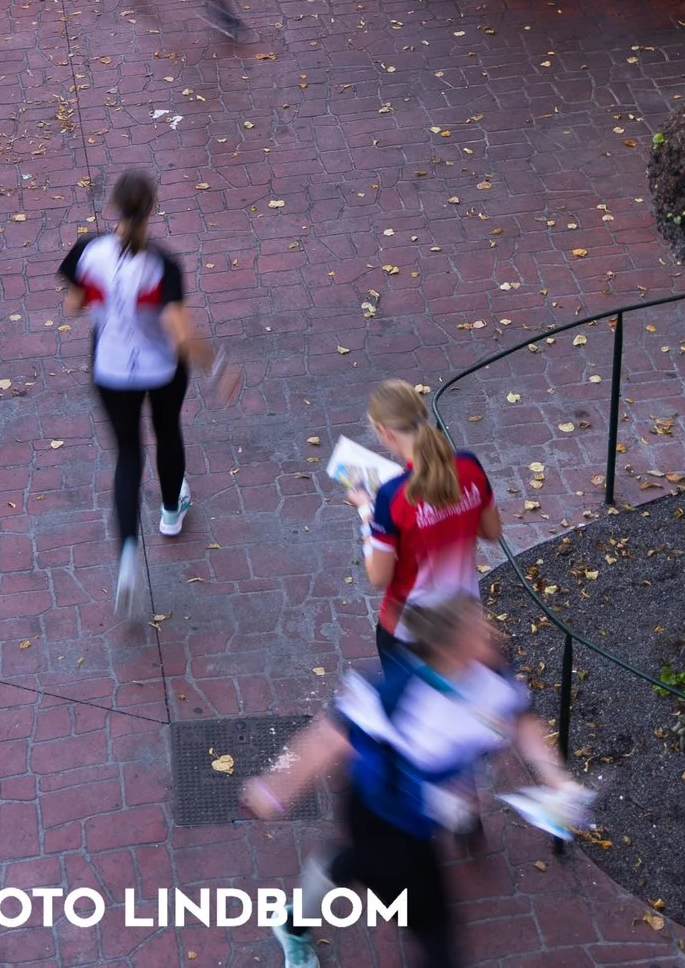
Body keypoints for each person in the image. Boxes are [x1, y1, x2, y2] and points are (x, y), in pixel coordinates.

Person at [242, 595, 580, 968]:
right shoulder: (397, 690)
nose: (491, 632)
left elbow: (522, 720)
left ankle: (299, 915)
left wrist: (554, 777)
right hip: (382, 817)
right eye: (477, 631)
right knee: (436, 934)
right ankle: (306, 911)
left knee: (359, 865)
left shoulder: (492, 670)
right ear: (449, 650)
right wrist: (275, 790)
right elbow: (326, 739)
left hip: (423, 819)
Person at [60, 170, 237, 618]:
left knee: (127, 456)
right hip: (162, 371)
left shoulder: (87, 251)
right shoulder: (162, 264)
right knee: (167, 432)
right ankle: (171, 513)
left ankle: (126, 556)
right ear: (152, 209)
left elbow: (73, 306)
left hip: (110, 369)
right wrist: (218, 367)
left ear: (113, 207)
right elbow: (181, 334)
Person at [357, 380, 501, 656]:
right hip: (463, 622)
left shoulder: (392, 495)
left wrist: (366, 513)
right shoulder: (469, 465)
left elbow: (378, 576)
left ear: (385, 432)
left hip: (409, 628)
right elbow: (492, 532)